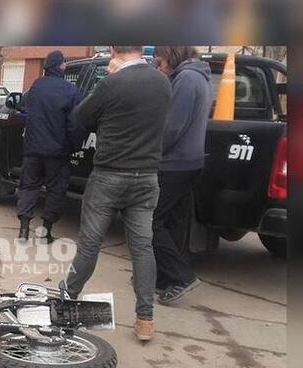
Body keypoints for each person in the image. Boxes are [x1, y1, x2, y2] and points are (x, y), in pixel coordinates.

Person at [62, 46, 172, 342]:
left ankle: (67, 298)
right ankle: (145, 319)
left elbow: (81, 116)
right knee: (142, 247)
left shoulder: (112, 83)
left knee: (90, 244)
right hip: (147, 177)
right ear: (140, 50)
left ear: (113, 52)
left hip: (109, 176)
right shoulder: (163, 81)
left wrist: (106, 84)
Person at [152, 46, 211, 305]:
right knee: (174, 222)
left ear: (172, 56)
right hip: (189, 161)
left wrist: (152, 152)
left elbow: (172, 126)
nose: (160, 67)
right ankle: (167, 279)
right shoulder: (199, 76)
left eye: (161, 62)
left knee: (149, 221)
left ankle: (181, 276)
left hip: (174, 163)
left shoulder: (187, 79)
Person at [16, 50, 84, 244]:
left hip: (32, 150)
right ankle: (45, 232)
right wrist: (74, 146)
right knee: (56, 190)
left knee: (28, 186)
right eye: (64, 63)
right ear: (60, 66)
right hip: (57, 151)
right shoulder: (69, 90)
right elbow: (75, 124)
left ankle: (23, 231)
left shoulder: (36, 86)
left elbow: (23, 107)